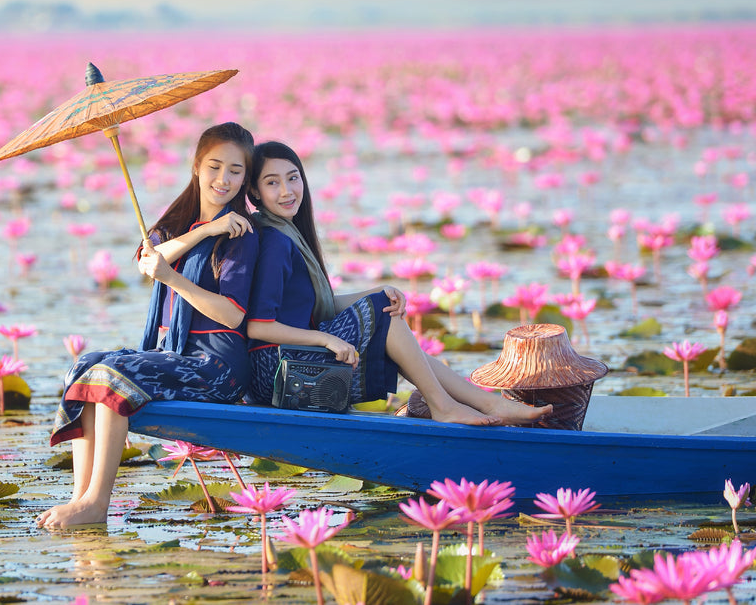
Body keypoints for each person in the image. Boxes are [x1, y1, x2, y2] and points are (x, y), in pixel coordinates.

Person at [36, 122, 259, 530]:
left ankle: (97, 503)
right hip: (173, 356)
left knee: (114, 376)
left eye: (235, 170)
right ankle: (80, 498)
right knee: (86, 365)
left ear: (246, 177)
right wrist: (206, 229)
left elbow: (232, 315)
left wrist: (175, 276)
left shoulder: (241, 232)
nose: (223, 179)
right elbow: (147, 260)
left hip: (218, 369)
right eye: (214, 167)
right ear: (195, 166)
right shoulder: (177, 224)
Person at [244, 140, 553, 426]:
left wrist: (375, 292)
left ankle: (487, 404)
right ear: (255, 192)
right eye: (272, 182)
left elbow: (314, 304)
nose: (286, 190)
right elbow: (258, 326)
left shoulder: (285, 233)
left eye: (293, 177)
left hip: (290, 359)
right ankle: (445, 406)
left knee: (391, 322)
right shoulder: (274, 242)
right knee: (383, 315)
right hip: (277, 370)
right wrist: (327, 340)